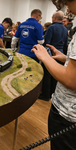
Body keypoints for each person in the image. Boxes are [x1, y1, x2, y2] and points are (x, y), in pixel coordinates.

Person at [32, 0, 76, 149]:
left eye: (68, 2)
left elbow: (71, 80)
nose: (67, 7)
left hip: (67, 115)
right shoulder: (65, 28)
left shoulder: (52, 28)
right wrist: (66, 58)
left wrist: (44, 56)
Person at [39, 11, 68, 101]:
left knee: (47, 74)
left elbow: (47, 43)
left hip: (51, 54)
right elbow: (65, 44)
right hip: (61, 54)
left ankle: (45, 95)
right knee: (56, 75)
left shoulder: (51, 28)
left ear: (55, 18)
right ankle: (52, 93)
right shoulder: (65, 29)